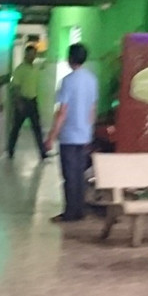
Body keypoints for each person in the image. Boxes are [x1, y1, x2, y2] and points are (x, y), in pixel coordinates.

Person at [44, 42, 98, 223]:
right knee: (79, 175)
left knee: (69, 176)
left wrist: (51, 136)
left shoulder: (67, 81)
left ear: (70, 58)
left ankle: (70, 213)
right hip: (84, 135)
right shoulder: (92, 80)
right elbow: (92, 109)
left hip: (69, 136)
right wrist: (89, 131)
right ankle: (80, 210)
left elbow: (62, 112)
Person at [7, 44, 47, 162]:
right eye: (30, 54)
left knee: (37, 128)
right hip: (23, 101)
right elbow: (15, 88)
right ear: (26, 54)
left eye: (34, 54)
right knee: (16, 127)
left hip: (33, 101)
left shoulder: (35, 68)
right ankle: (10, 150)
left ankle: (42, 152)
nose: (33, 56)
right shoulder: (20, 69)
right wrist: (18, 103)